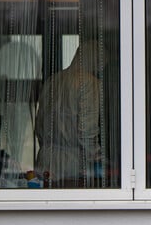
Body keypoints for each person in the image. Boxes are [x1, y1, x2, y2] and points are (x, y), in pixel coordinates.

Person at [34, 39, 104, 188]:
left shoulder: (52, 81)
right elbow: (87, 131)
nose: (100, 70)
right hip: (72, 166)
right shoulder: (89, 83)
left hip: (44, 160)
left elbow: (39, 125)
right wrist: (98, 158)